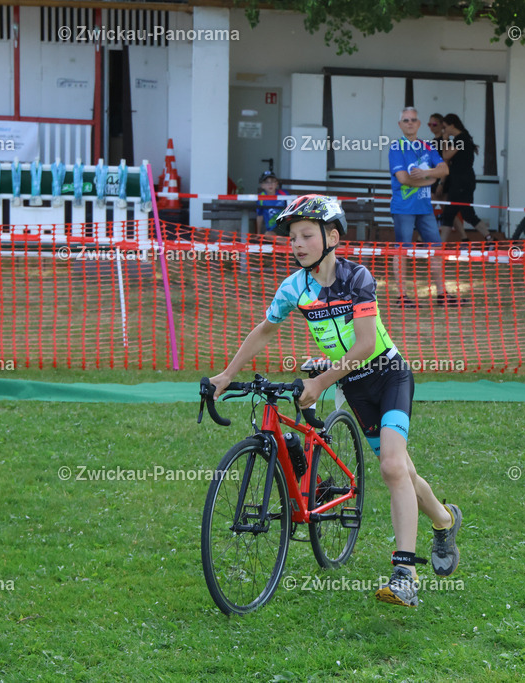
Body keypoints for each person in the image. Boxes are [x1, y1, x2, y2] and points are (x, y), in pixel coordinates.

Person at [207, 195, 462, 608]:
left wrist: (322, 380)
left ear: (332, 237)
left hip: (388, 376)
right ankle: (444, 520)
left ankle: (405, 574)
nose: (297, 244)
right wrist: (227, 373)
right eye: (292, 237)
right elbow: (265, 330)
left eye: (306, 235)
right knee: (403, 471)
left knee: (392, 467)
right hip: (354, 387)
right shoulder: (295, 287)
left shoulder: (356, 277)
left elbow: (365, 345)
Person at [388, 107, 462, 307]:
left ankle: (442, 294)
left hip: (425, 208)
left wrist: (427, 173)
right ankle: (402, 297)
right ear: (400, 125)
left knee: (436, 249)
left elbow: (444, 169)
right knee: (402, 251)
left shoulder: (427, 146)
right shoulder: (396, 148)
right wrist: (429, 180)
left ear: (419, 124)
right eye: (406, 120)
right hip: (403, 208)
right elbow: (403, 178)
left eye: (413, 120)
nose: (410, 123)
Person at [437, 113, 490, 242]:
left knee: (467, 214)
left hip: (462, 181)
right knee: (450, 213)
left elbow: (446, 156)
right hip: (460, 180)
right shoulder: (461, 138)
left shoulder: (461, 139)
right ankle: (440, 245)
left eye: (445, 127)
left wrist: (445, 140)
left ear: (452, 125)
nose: (444, 131)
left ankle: (490, 239)